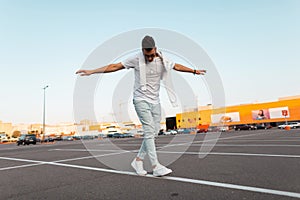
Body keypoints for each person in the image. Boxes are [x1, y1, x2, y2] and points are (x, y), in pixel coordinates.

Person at [76, 35, 206, 176]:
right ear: (142, 50)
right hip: (140, 100)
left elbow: (177, 66)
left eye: (151, 55)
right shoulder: (136, 59)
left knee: (155, 131)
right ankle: (156, 166)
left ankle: (138, 160)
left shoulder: (163, 59)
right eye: (146, 54)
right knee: (149, 131)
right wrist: (92, 71)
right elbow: (115, 66)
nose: (149, 58)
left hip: (155, 101)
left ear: (155, 49)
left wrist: (194, 71)